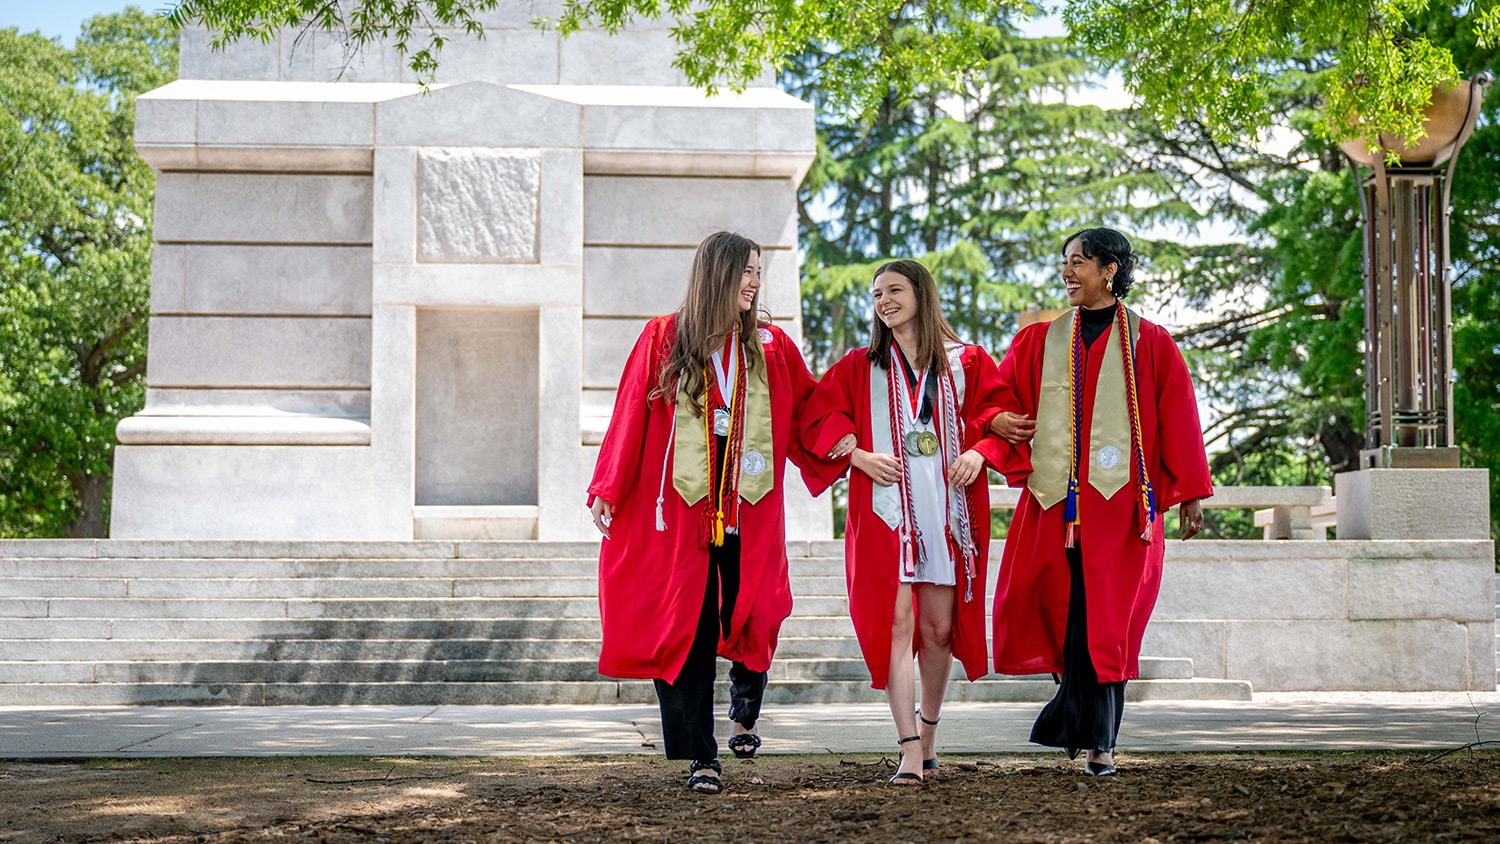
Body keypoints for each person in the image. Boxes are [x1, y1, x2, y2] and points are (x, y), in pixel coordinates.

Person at [587, 231, 827, 795]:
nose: (754, 281)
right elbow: (631, 415)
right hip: (683, 516)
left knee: (760, 611)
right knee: (687, 631)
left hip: (749, 511)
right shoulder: (663, 339)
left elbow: (813, 413)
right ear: (716, 273)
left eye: (758, 272)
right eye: (745, 270)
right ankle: (701, 756)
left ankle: (747, 701)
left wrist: (851, 443)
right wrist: (609, 486)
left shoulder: (771, 347)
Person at [987, 228, 1212, 776]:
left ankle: (1099, 744)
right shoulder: (1039, 340)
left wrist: (1188, 494)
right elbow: (995, 397)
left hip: (1122, 511)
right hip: (1053, 508)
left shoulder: (1151, 342)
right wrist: (994, 420)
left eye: (1078, 263)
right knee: (1061, 615)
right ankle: (1076, 719)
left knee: (1107, 624)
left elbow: (1178, 416)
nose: (1067, 272)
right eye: (1064, 262)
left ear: (1109, 269)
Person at [801, 260, 1006, 785]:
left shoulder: (966, 362)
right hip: (887, 515)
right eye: (876, 294)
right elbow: (817, 417)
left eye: (894, 290)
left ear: (922, 293)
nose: (884, 300)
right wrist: (857, 456)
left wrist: (981, 452)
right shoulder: (859, 365)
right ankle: (909, 750)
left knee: (938, 631)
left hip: (946, 510)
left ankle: (930, 735)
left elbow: (1000, 413)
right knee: (897, 628)